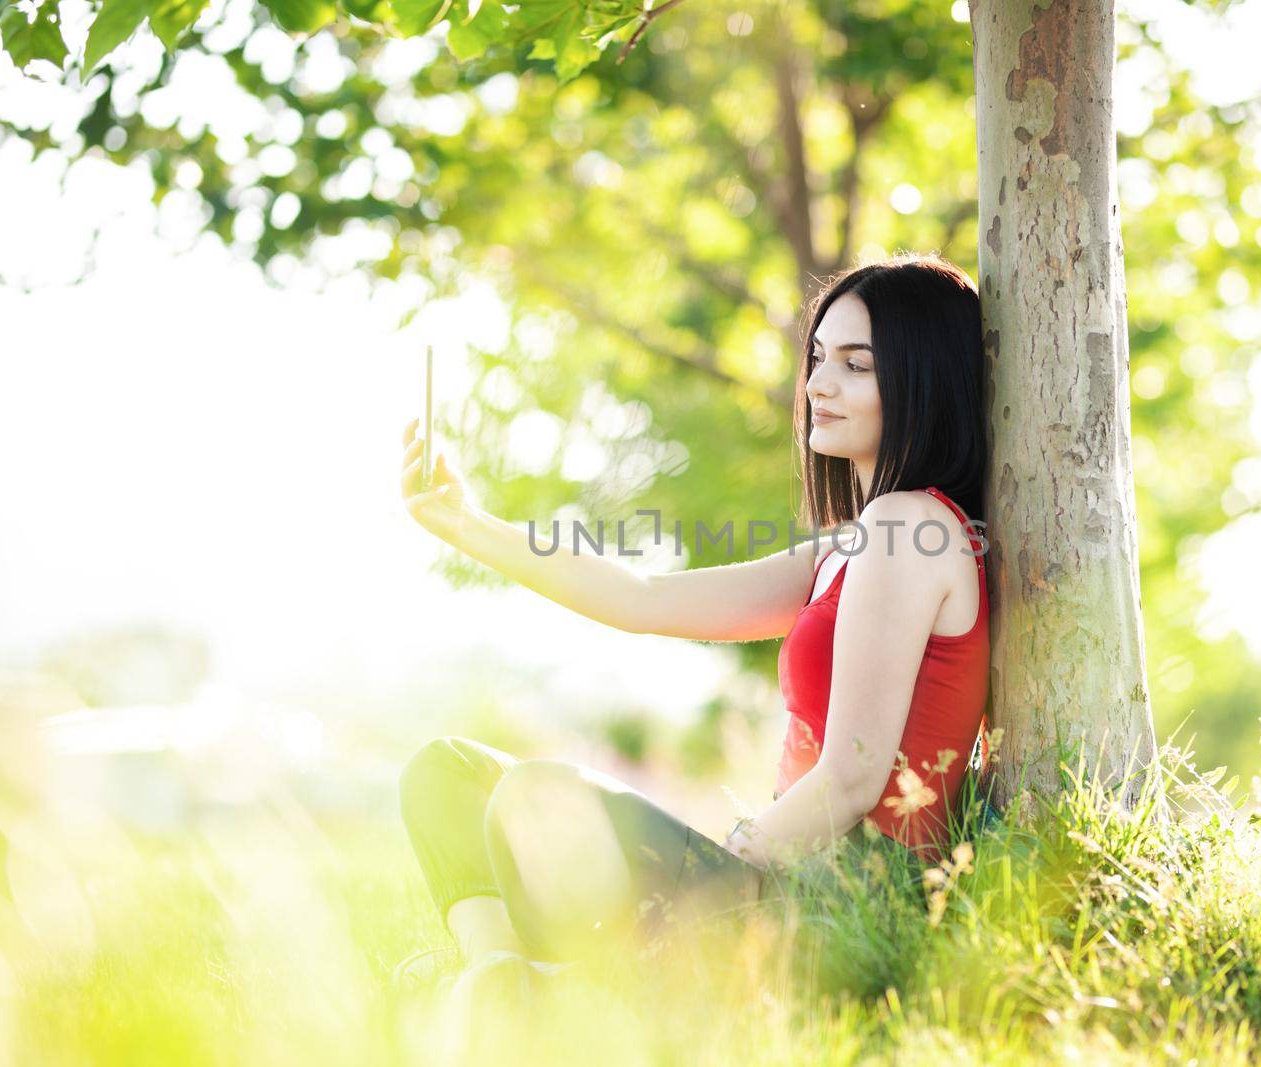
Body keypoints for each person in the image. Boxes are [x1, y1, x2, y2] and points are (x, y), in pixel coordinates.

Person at [393, 252, 991, 1003]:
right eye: (816, 358)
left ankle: (547, 986)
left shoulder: (911, 527)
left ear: (924, 379)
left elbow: (851, 778)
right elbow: (641, 598)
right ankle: (497, 975)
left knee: (538, 793)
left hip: (834, 918)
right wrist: (465, 524)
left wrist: (719, 860)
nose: (817, 385)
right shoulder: (848, 547)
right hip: (777, 882)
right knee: (448, 769)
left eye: (855, 365)